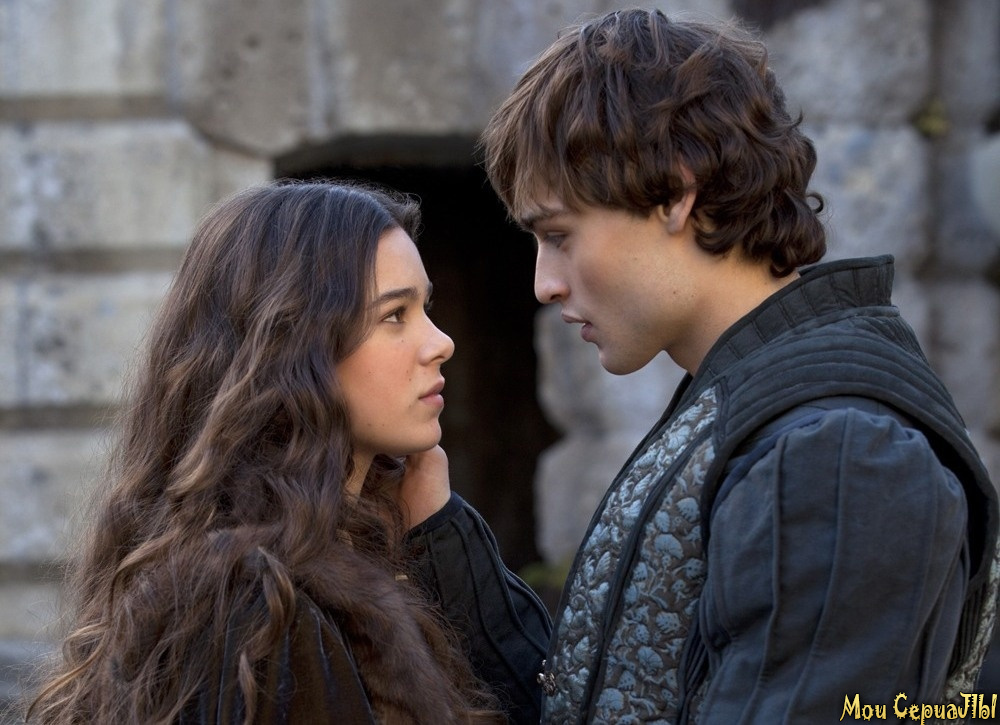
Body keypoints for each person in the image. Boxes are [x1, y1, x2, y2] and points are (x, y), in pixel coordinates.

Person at [481, 8, 1000, 723]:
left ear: (674, 193)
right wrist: (437, 532)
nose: (545, 283)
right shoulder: (755, 406)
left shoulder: (836, 451)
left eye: (560, 235)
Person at [25, 180, 550, 724]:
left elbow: (545, 706)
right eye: (395, 315)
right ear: (295, 347)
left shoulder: (376, 548)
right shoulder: (245, 599)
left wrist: (442, 532)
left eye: (426, 307)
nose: (441, 342)